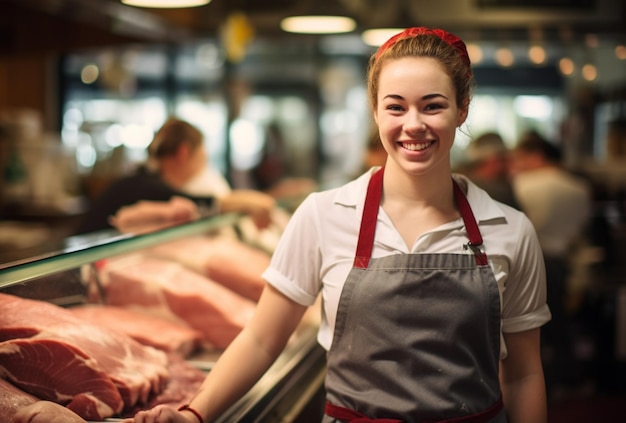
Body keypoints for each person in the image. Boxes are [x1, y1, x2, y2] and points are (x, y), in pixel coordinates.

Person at [124, 27, 550, 423]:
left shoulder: (509, 230)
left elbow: (524, 374)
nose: (413, 124)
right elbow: (261, 340)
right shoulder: (323, 215)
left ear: (462, 109)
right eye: (396, 107)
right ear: (376, 112)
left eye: (433, 105)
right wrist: (193, 414)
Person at [75, 117, 275, 235]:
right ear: (183, 152)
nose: (203, 167)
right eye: (201, 158)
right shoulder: (145, 184)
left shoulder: (145, 177)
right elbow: (202, 203)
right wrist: (252, 201)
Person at [508, 130, 592, 396]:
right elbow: (582, 230)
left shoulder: (521, 184)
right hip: (563, 262)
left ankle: (542, 385)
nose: (516, 163)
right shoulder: (579, 187)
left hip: (529, 260)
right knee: (560, 326)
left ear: (535, 156)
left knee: (526, 329)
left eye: (520, 156)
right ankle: (567, 379)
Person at [458, 131, 520, 209]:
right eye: (505, 160)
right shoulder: (499, 192)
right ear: (493, 161)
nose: (510, 166)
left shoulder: (458, 185)